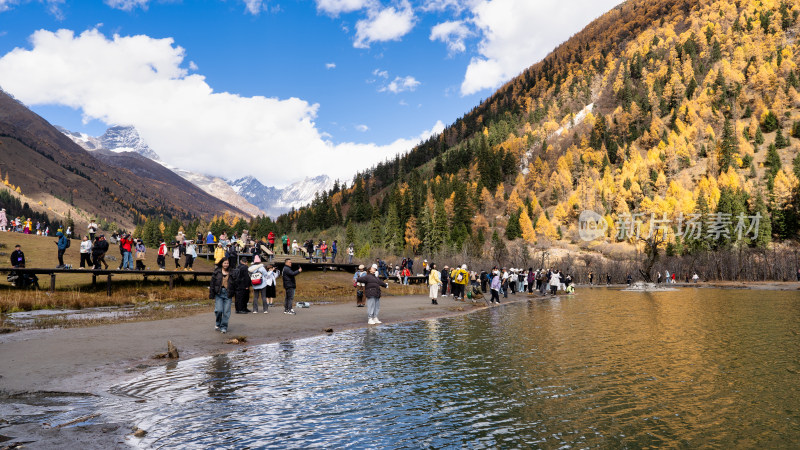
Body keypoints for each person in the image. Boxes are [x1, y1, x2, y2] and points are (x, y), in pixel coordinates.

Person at [210, 259, 235, 334]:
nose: (226, 264)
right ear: (221, 263)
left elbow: (235, 283)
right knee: (219, 310)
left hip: (228, 293)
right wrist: (211, 294)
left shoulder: (232, 272)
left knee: (226, 311)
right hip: (219, 293)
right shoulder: (216, 272)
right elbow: (212, 283)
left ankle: (223, 327)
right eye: (225, 263)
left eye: (227, 263)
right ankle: (218, 323)